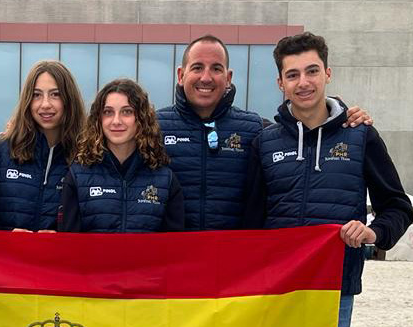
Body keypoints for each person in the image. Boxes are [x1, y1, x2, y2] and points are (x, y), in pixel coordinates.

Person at [248, 32, 413, 327]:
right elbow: (249, 224)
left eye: (311, 71)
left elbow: (398, 207)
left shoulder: (361, 136)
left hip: (333, 289)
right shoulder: (264, 143)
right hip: (275, 294)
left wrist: (374, 232)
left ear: (327, 73)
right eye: (292, 74)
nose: (303, 82)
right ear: (280, 83)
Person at [156, 34, 372, 230]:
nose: (206, 77)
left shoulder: (255, 130)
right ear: (181, 74)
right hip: (174, 261)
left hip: (233, 263)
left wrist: (341, 115)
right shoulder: (154, 128)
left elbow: (304, 128)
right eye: (197, 68)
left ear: (228, 77)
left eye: (216, 68)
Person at [0, 60, 86, 232]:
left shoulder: (86, 158)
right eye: (37, 95)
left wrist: (63, 238)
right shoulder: (1, 152)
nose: (45, 104)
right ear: (27, 100)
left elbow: (96, 225)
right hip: (7, 259)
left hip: (60, 258)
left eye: (55, 94)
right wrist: (7, 235)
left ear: (69, 99)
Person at [60, 79, 184, 232]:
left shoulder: (166, 180)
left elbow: (174, 248)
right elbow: (68, 245)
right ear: (98, 120)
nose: (116, 121)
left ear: (141, 119)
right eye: (108, 112)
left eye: (127, 112)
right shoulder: (78, 177)